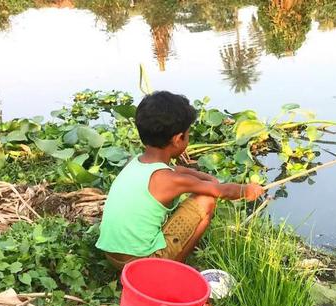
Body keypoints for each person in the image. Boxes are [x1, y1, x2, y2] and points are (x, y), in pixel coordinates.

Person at [96, 91, 264, 269]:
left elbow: (179, 170)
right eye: (188, 133)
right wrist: (247, 190)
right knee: (206, 200)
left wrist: (208, 179)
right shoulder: (168, 179)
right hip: (141, 266)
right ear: (177, 139)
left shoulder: (138, 162)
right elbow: (222, 192)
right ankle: (173, 269)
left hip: (113, 257)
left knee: (203, 189)